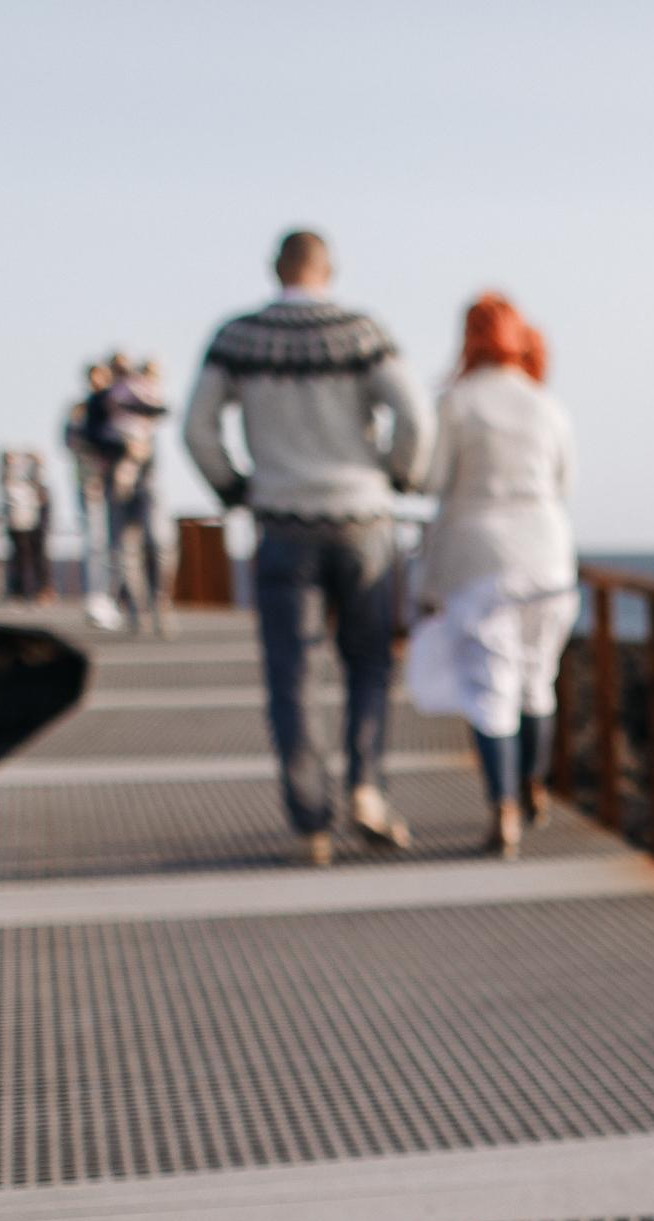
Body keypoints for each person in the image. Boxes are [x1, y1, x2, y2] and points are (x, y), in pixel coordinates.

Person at [183, 228, 434, 864]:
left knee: (291, 675)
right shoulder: (362, 331)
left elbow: (197, 427)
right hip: (362, 520)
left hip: (281, 523)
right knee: (369, 665)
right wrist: (397, 474)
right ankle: (366, 788)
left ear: (275, 269)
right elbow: (416, 416)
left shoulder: (238, 335)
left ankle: (312, 823)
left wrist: (234, 486)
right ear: (331, 268)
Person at [405, 293, 578, 857]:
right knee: (537, 679)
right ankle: (533, 784)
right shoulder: (546, 404)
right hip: (549, 556)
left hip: (481, 557)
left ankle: (503, 809)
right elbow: (564, 483)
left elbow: (430, 480)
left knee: (491, 689)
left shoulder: (456, 402)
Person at [99, 354, 174, 636]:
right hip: (117, 481)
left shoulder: (143, 397)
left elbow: (163, 409)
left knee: (158, 543)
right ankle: (137, 609)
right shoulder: (103, 401)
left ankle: (160, 602)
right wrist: (122, 450)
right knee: (124, 548)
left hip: (148, 481)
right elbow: (89, 434)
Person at [62, 362, 121, 627]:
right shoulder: (81, 408)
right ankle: (98, 599)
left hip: (116, 482)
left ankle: (114, 598)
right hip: (90, 480)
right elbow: (70, 441)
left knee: (116, 543)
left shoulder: (114, 405)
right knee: (96, 540)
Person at [0, 448, 53, 602]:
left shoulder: (35, 481)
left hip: (31, 515)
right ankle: (22, 590)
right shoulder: (12, 480)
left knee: (34, 552)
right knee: (21, 553)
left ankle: (37, 589)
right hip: (19, 516)